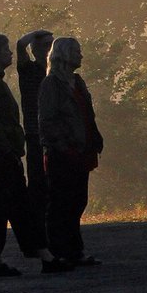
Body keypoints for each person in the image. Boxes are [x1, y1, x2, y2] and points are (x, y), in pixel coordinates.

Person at [0, 33, 62, 277]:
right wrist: (9, 150)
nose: (10, 53)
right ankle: (40, 256)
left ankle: (11, 258)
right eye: (5, 50)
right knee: (13, 205)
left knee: (7, 206)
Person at [39, 36, 104, 266]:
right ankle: (60, 251)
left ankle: (73, 249)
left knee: (78, 200)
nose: (80, 55)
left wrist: (94, 136)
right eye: (76, 51)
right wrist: (63, 144)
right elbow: (47, 120)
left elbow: (87, 112)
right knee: (61, 203)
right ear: (64, 54)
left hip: (81, 150)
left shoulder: (77, 82)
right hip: (62, 153)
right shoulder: (51, 84)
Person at [15, 29, 56, 257]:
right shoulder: (28, 71)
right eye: (45, 45)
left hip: (48, 135)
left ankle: (47, 236)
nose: (50, 48)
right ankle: (36, 238)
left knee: (50, 187)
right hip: (34, 135)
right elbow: (20, 46)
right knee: (38, 186)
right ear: (36, 49)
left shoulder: (53, 74)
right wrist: (35, 34)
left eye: (52, 44)